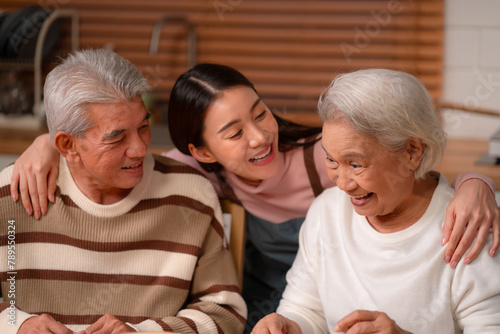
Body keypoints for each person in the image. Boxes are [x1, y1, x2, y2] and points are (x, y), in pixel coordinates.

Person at [10, 64, 500, 331]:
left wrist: (478, 185)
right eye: (232, 132)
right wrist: (45, 149)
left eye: (260, 114)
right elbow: (305, 304)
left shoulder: (324, 164)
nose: (260, 138)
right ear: (202, 152)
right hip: (273, 305)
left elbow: (416, 170)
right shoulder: (190, 177)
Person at [0, 49, 246, 334]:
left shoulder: (191, 195)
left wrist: (146, 333)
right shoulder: (11, 195)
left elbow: (225, 312)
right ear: (67, 145)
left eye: (143, 126)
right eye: (117, 138)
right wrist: (16, 325)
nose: (140, 149)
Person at [251, 69, 500, 334]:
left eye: (355, 164)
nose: (342, 183)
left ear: (412, 152)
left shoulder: (468, 228)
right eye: (332, 160)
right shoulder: (327, 211)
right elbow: (306, 310)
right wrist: (288, 325)